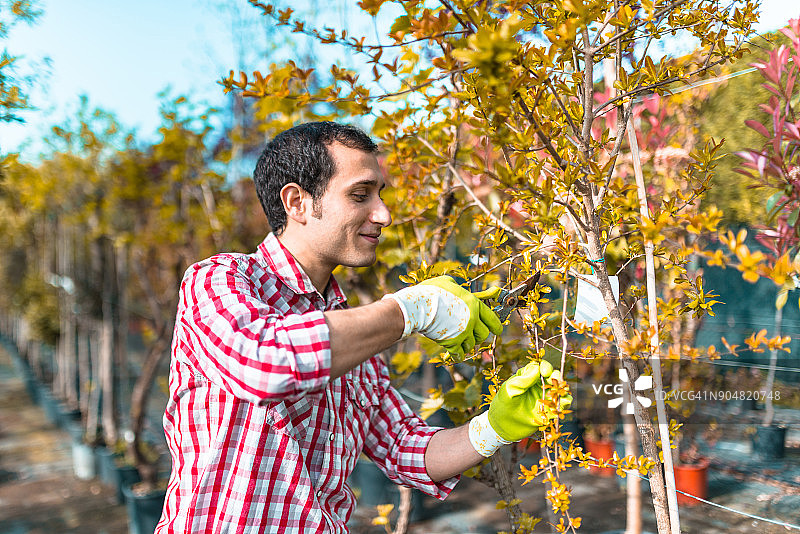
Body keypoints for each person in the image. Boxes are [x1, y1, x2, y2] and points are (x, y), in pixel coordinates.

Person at [155, 121, 566, 533]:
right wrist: (409, 310)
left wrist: (493, 427)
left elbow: (406, 448)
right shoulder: (218, 280)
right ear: (297, 202)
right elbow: (265, 364)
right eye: (359, 195)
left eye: (379, 195)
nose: (383, 215)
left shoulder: (351, 334)